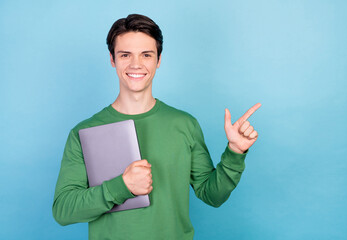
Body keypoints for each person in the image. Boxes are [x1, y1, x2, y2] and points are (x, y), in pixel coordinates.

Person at [52, 14, 261, 240]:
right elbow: (63, 210)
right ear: (112, 59)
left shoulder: (184, 124)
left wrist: (235, 153)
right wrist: (121, 186)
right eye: (125, 55)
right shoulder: (84, 132)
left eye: (146, 55)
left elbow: (212, 195)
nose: (136, 64)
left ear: (158, 60)